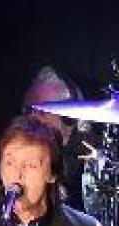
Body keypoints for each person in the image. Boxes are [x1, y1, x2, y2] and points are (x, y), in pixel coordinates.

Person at [21, 66, 87, 210]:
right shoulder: (20, 158)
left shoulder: (90, 161)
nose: (32, 118)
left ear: (69, 118)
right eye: (29, 111)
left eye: (43, 111)